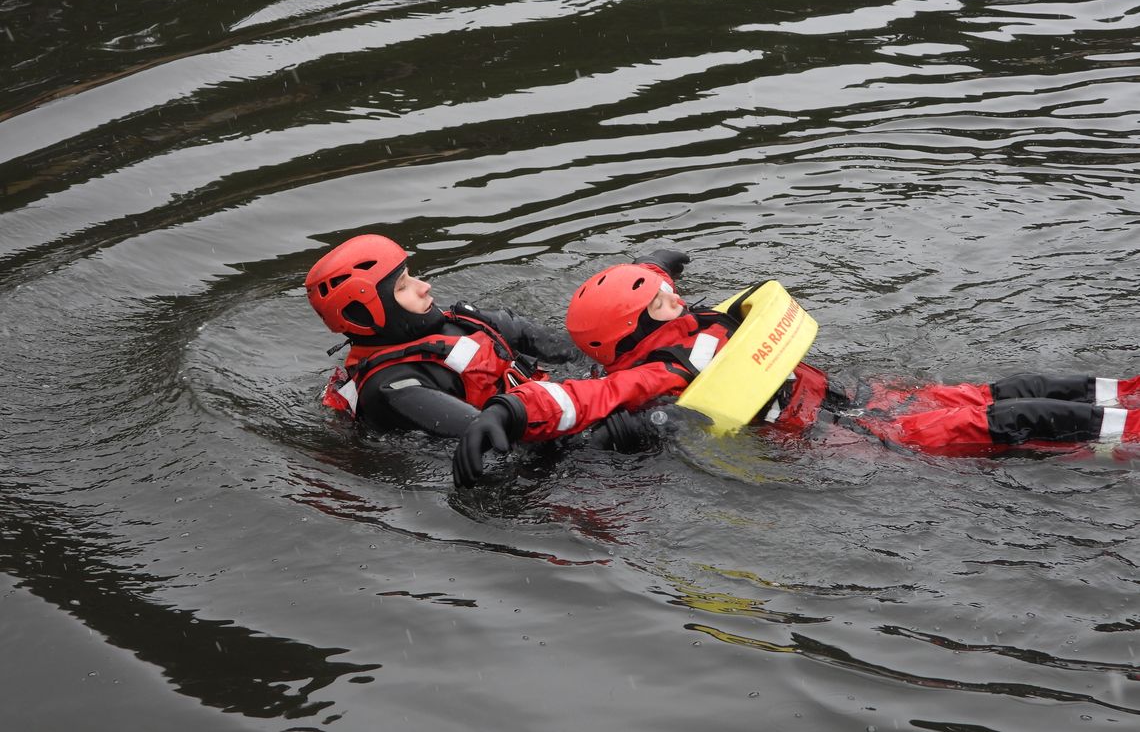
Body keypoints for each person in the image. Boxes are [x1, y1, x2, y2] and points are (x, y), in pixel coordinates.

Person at [453, 251, 1140, 486]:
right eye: (656, 294)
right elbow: (585, 396)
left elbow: (646, 294)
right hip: (848, 442)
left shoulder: (690, 317)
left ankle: (1127, 393)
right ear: (639, 326)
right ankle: (1130, 429)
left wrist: (656, 263)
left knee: (1013, 387)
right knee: (1006, 421)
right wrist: (511, 412)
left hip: (866, 397)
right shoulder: (657, 372)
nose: (671, 292)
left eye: (660, 284)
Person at [305, 234, 581, 436]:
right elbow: (487, 433)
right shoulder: (391, 390)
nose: (424, 286)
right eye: (402, 287)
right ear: (366, 314)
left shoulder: (464, 322)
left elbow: (574, 347)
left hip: (551, 405)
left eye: (411, 276)